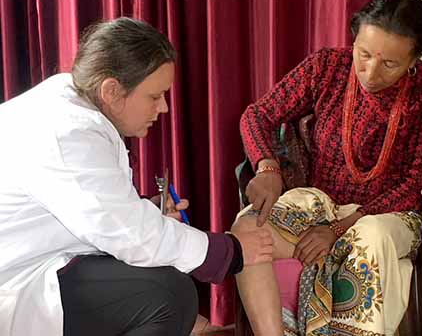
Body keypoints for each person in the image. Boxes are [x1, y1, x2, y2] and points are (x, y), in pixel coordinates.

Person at [0, 17, 274, 336]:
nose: (164, 107)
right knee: (169, 294)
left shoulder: (71, 100)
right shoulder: (69, 132)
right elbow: (129, 234)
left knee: (161, 274)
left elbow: (95, 210)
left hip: (32, 262)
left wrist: (146, 207)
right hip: (15, 284)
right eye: (154, 96)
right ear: (112, 90)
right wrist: (231, 252)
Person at [233, 0, 422, 336]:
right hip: (321, 205)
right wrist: (267, 166)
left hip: (390, 215)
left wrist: (337, 230)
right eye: (363, 54)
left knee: (371, 236)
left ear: (414, 59)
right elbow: (257, 115)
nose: (370, 71)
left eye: (390, 63)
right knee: (248, 228)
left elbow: (418, 181)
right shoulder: (326, 67)